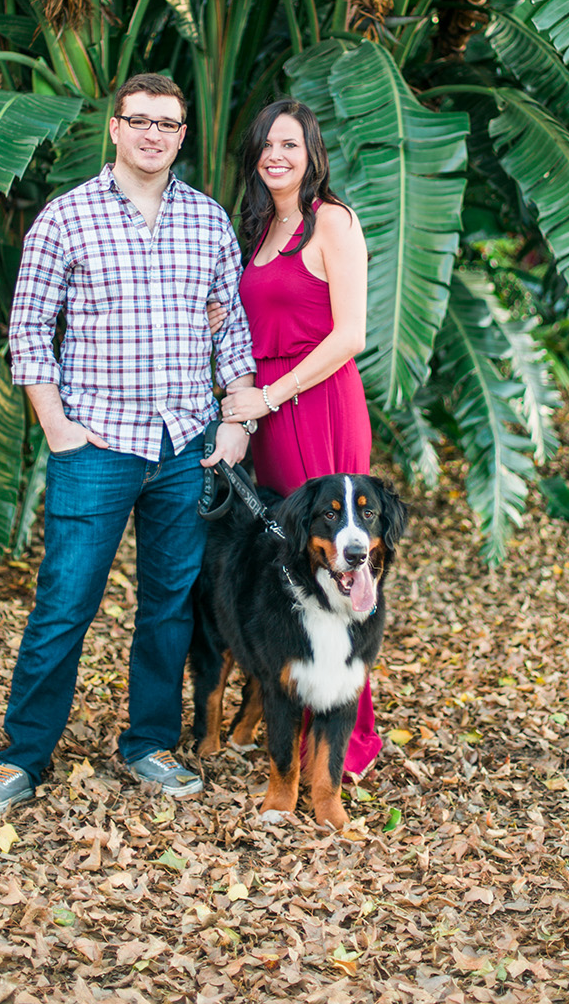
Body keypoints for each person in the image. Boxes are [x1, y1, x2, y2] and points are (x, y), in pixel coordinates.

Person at [0, 73, 256, 810]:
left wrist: (236, 419)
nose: (154, 135)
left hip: (184, 445)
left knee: (166, 605)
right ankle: (24, 754)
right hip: (95, 444)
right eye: (140, 121)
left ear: (182, 136)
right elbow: (29, 332)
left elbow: (232, 333)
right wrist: (56, 427)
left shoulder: (207, 221)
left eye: (168, 124)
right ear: (116, 128)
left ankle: (150, 744)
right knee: (65, 601)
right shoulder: (66, 219)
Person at [214, 98, 381, 777]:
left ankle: (348, 738)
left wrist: (272, 396)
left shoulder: (330, 222)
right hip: (268, 413)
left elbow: (350, 334)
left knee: (340, 564)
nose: (276, 155)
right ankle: (291, 709)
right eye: (265, 144)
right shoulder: (261, 228)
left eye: (290, 143)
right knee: (288, 567)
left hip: (318, 405)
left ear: (313, 152)